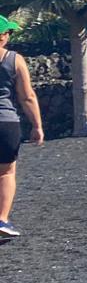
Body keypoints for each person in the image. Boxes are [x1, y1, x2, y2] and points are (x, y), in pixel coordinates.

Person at [0, 14, 45, 239]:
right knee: (6, 172)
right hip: (6, 122)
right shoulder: (14, 60)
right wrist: (37, 125)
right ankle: (2, 219)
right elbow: (27, 96)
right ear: (3, 36)